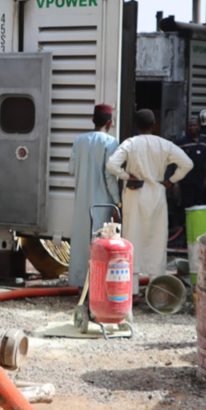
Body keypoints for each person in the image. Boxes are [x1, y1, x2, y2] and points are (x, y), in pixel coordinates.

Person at [107, 109, 193, 277]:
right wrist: (171, 180)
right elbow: (187, 163)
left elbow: (111, 165)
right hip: (157, 194)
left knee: (132, 239)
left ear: (136, 126)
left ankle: (133, 291)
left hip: (134, 194)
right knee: (156, 240)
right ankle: (156, 288)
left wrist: (126, 176)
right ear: (154, 125)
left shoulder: (130, 143)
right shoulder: (164, 144)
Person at [68, 104, 121, 287]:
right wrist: (117, 203)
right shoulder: (110, 142)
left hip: (82, 202)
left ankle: (80, 283)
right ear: (110, 122)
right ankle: (97, 285)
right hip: (103, 202)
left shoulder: (79, 140)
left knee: (81, 241)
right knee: (99, 241)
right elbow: (110, 176)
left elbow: (71, 169)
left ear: (93, 120)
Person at [176, 118, 206, 210]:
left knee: (199, 206)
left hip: (200, 182)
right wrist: (175, 182)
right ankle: (185, 224)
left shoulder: (205, 142)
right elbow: (177, 163)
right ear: (187, 128)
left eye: (195, 125)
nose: (193, 127)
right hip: (186, 182)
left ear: (199, 127)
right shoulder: (182, 142)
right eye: (190, 125)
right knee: (187, 207)